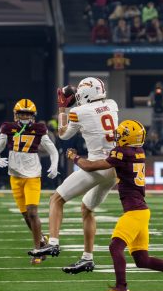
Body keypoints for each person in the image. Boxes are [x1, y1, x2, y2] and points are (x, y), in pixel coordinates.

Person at [66, 120, 163, 291]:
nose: (117, 137)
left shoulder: (122, 152)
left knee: (115, 247)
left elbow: (91, 166)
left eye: (121, 134)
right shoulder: (138, 151)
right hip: (141, 211)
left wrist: (74, 157)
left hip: (135, 212)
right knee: (142, 260)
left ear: (128, 137)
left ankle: (121, 286)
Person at [30, 77, 119, 275]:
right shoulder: (112, 105)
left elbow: (63, 134)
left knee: (56, 199)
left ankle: (53, 243)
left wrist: (62, 109)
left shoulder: (79, 111)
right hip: (113, 170)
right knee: (87, 209)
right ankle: (87, 258)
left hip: (95, 166)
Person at [0, 99, 59, 265]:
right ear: (16, 114)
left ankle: (37, 251)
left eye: (27, 114)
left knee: (33, 212)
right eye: (22, 113)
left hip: (32, 175)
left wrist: (54, 165)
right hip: (15, 176)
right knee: (26, 216)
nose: (24, 117)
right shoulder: (7, 128)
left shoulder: (39, 129)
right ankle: (42, 241)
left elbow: (53, 151)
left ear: (33, 116)